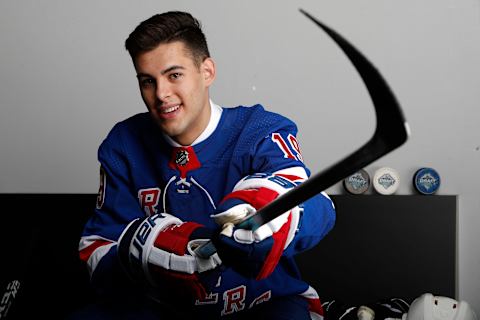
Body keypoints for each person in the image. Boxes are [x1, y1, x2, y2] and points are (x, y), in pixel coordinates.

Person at [76, 11, 336, 320]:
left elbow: (318, 206)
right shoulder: (124, 145)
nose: (161, 95)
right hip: (161, 308)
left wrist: (272, 211)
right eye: (148, 81)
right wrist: (148, 250)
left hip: (263, 303)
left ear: (207, 71)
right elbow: (97, 248)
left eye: (174, 75)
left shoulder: (260, 130)